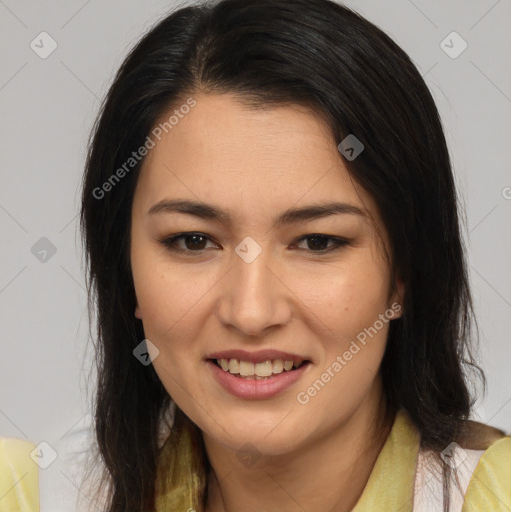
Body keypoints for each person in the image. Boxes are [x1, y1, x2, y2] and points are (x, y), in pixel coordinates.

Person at [77, 0, 508, 511]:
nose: (251, 312)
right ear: (125, 269)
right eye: (193, 241)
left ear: (403, 274)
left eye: (317, 242)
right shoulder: (33, 495)